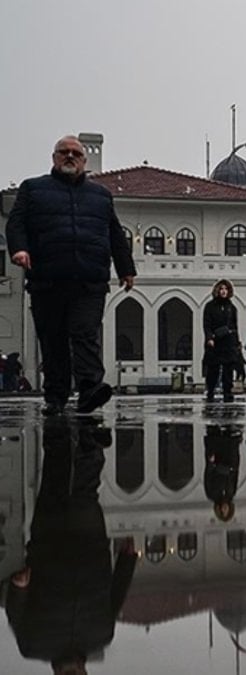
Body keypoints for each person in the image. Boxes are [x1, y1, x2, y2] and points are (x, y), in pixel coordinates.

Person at [5, 135, 136, 415]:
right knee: (53, 339)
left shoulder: (100, 195)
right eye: (63, 152)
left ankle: (90, 388)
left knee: (85, 333)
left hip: (89, 279)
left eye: (75, 153)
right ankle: (56, 395)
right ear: (54, 158)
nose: (70, 156)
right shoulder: (33, 189)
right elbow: (16, 223)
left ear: (84, 161)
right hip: (47, 278)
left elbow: (115, 233)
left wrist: (126, 269)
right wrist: (19, 249)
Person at [4, 417, 138, 674]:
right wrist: (127, 560)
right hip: (90, 549)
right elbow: (116, 597)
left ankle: (58, 429)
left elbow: (16, 614)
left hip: (48, 549)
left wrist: (19, 589)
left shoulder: (32, 645)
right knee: (86, 492)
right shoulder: (102, 636)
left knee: (54, 485)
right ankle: (90, 437)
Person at [202, 279, 240, 402]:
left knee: (228, 369)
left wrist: (237, 342)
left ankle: (227, 392)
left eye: (226, 289)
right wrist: (209, 338)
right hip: (215, 342)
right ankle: (211, 391)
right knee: (213, 368)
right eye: (221, 289)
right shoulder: (210, 306)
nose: (223, 291)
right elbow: (207, 324)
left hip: (228, 342)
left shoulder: (231, 307)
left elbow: (234, 326)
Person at [204, 424, 242, 522]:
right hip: (229, 458)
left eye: (223, 511)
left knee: (214, 432)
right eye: (226, 510)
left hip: (216, 460)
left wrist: (212, 464)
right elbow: (235, 476)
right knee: (229, 432)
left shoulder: (212, 495)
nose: (224, 508)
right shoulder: (231, 494)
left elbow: (208, 476)